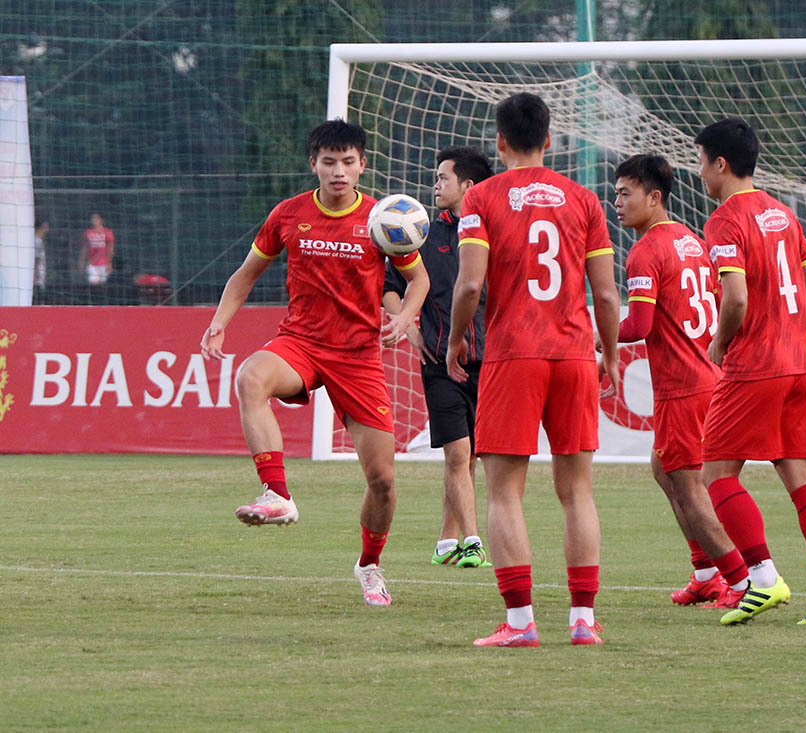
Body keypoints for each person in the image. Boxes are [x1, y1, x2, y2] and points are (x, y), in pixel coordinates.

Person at [200, 119, 430, 607]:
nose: (339, 171)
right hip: (301, 343)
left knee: (383, 483)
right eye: (329, 162)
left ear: (362, 165)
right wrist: (220, 321)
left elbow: (419, 281)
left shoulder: (383, 218)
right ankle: (276, 494)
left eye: (348, 162)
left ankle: (369, 566)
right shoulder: (289, 214)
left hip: (359, 358)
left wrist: (404, 317)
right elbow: (245, 276)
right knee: (250, 377)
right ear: (314, 165)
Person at [446, 92, 621, 646]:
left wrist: (454, 342)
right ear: (549, 140)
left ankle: (521, 622)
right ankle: (583, 621)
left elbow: (470, 283)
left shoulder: (481, 199)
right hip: (573, 355)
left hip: (513, 354)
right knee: (577, 491)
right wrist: (611, 354)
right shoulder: (585, 201)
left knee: (503, 492)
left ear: (499, 142)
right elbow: (608, 296)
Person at [695, 118, 806, 625]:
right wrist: (795, 333)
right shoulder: (782, 213)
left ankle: (762, 577)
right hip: (799, 364)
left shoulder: (724, 220)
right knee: (799, 475)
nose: (699, 173)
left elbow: (735, 296)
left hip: (755, 366)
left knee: (715, 473)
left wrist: (719, 344)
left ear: (721, 164)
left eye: (701, 162)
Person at [605, 153, 750, 609]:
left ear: (654, 197)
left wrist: (589, 335)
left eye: (626, 194)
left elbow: (639, 325)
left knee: (691, 487)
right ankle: (706, 572)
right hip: (708, 379)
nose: (617, 202)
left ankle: (742, 580)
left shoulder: (645, 250)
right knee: (662, 468)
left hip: (684, 388)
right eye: (615, 193)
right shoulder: (690, 240)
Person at [383, 145, 494, 569]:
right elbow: (390, 286)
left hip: (489, 363)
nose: (435, 184)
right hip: (439, 363)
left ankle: (445, 540)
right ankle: (472, 541)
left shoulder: (491, 233)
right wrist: (409, 327)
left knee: (472, 457)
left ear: (467, 185)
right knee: (457, 455)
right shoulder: (421, 234)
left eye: (443, 177)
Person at [79, 212, 115, 285]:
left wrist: (109, 263)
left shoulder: (107, 232)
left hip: (103, 263)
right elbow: (84, 248)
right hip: (91, 264)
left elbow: (110, 248)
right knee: (93, 286)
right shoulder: (88, 232)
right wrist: (81, 261)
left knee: (103, 286)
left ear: (101, 220)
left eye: (96, 218)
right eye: (92, 218)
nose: (94, 220)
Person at [34, 218, 48, 300]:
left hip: (39, 276)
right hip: (37, 278)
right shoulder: (37, 241)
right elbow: (36, 259)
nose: (47, 230)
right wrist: (36, 274)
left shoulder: (39, 241)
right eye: (45, 228)